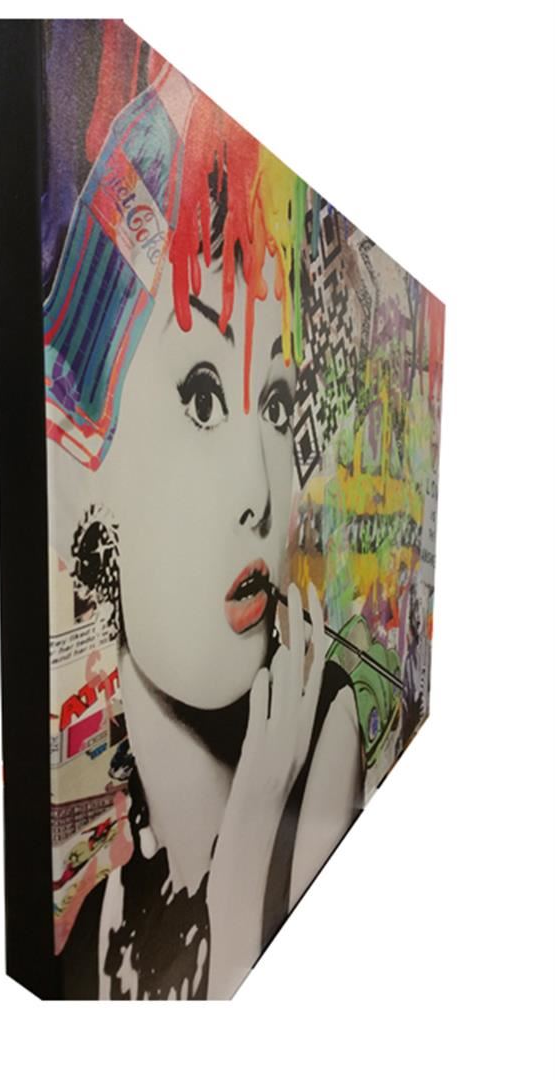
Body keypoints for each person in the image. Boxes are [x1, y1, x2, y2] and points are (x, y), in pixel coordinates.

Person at [46, 69, 364, 999]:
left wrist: (257, 830)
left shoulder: (325, 735)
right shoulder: (91, 920)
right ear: (91, 460)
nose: (259, 491)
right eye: (200, 397)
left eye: (276, 405)